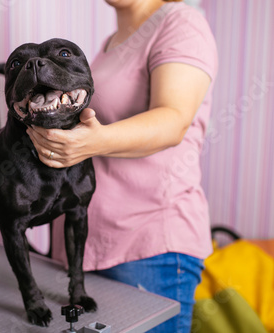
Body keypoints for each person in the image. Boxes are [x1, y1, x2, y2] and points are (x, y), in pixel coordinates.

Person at [26, 0, 218, 332]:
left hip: (147, 246)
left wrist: (89, 144)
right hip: (84, 247)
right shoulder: (109, 46)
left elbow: (173, 121)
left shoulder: (182, 24)